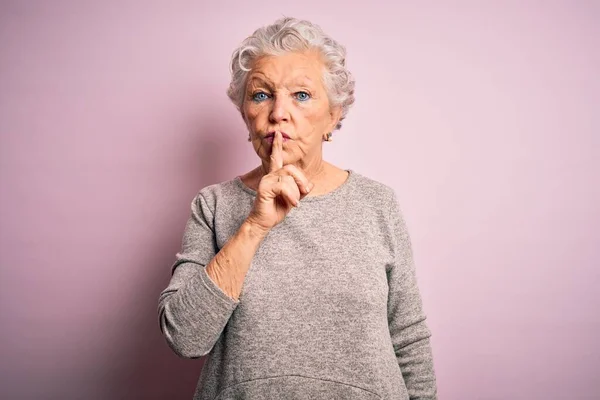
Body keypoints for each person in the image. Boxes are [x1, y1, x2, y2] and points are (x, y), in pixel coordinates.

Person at [157, 16, 437, 400]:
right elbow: (184, 336)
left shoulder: (377, 203)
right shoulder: (214, 206)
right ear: (244, 114)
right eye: (261, 95)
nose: (278, 113)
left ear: (333, 116)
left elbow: (408, 337)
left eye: (301, 95)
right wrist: (254, 225)